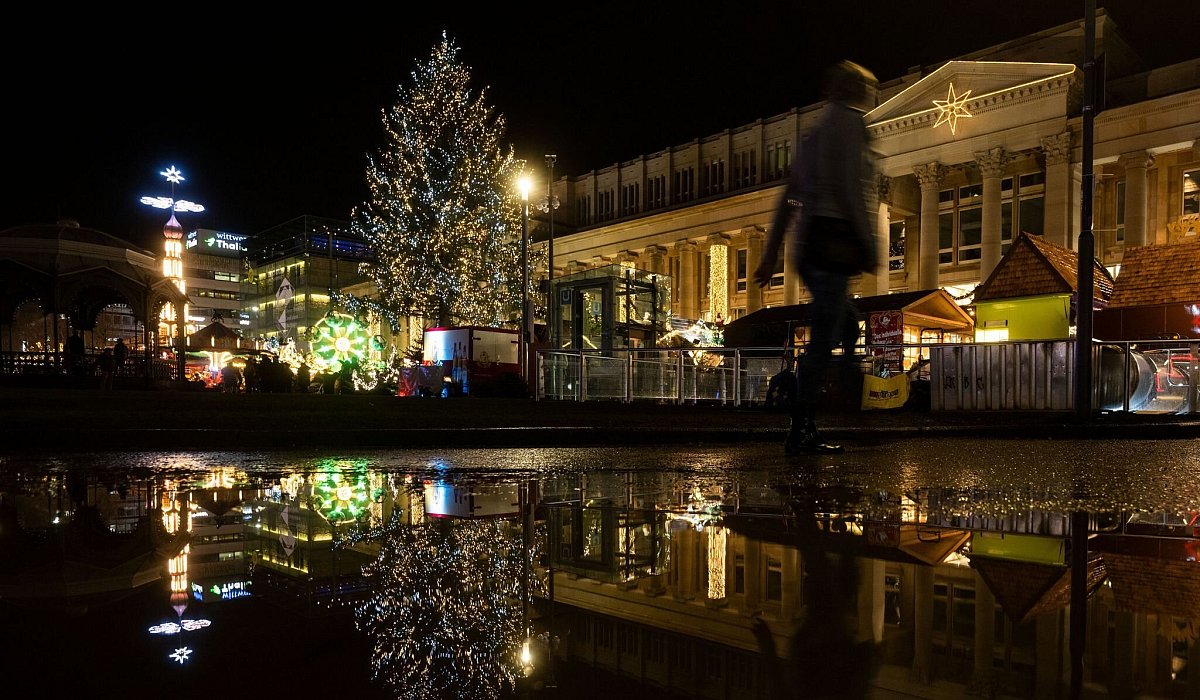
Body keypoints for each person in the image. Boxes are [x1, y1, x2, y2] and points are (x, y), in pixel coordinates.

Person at [754, 60, 880, 454]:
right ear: (857, 90)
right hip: (833, 242)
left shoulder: (813, 134)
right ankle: (802, 427)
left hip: (810, 246)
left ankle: (822, 387)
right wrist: (869, 241)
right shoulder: (849, 124)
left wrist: (772, 252)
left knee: (843, 323)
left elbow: (787, 198)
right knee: (826, 338)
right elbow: (849, 189)